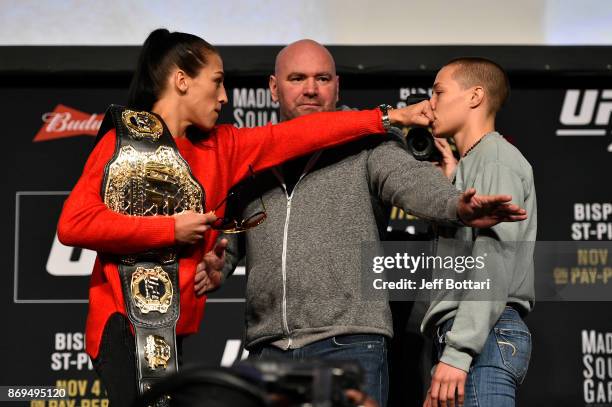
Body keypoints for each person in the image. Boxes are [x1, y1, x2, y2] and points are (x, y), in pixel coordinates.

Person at [57, 29, 439, 406]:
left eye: (322, 79)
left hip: (176, 330)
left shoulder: (224, 146)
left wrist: (389, 116)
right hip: (126, 325)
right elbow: (74, 224)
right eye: (217, 82)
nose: (224, 96)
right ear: (181, 80)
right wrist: (171, 229)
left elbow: (306, 133)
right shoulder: (123, 141)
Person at [194, 40, 527, 407]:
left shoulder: (366, 144)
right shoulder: (251, 158)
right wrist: (217, 266)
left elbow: (414, 182)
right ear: (274, 87)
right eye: (297, 78)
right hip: (268, 350)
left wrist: (457, 205)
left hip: (349, 344)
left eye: (322, 78)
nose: (310, 88)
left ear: (337, 86)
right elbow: (230, 239)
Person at [421, 57, 536, 407]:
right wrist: (455, 177)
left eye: (439, 92)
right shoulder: (477, 163)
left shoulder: (495, 159)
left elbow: (492, 262)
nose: (430, 104)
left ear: (475, 97)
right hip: (471, 336)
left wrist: (458, 353)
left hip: (481, 337)